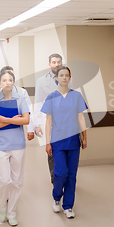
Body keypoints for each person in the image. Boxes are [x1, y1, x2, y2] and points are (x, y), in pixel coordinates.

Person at [0, 70, 30, 226]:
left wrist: (3, 120)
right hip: (1, 145)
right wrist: (10, 120)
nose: (7, 82)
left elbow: (26, 120)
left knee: (17, 181)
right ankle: (2, 207)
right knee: (4, 180)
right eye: (4, 80)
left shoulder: (21, 98)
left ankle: (11, 213)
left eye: (10, 80)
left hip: (18, 145)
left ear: (13, 82)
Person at [41, 66, 87, 219]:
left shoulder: (77, 96)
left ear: (70, 78)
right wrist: (47, 142)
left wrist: (84, 136)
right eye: (61, 75)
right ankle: (56, 197)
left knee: (72, 175)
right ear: (56, 78)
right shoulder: (51, 97)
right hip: (57, 141)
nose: (64, 78)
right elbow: (48, 122)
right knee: (60, 173)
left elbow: (81, 117)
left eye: (67, 75)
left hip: (73, 141)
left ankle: (68, 206)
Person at [34, 53, 68, 184]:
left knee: (66, 151)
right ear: (49, 64)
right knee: (52, 152)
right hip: (49, 122)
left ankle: (65, 178)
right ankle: (55, 180)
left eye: (59, 62)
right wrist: (36, 125)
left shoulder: (67, 78)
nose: (57, 64)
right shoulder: (41, 81)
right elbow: (37, 103)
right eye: (54, 62)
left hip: (66, 123)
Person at [0, 66, 34, 143]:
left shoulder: (22, 92)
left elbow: (29, 111)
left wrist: (30, 129)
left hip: (17, 129)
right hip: (0, 130)